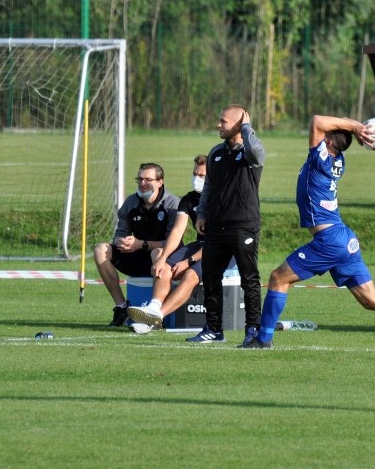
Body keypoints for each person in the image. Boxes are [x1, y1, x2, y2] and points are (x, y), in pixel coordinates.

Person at [240, 114, 375, 350]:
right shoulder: (338, 159)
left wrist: (357, 127)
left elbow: (317, 121)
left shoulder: (320, 157)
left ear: (327, 141)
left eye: (326, 136)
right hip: (343, 238)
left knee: (278, 278)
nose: (322, 136)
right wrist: (357, 129)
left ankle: (263, 339)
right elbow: (330, 129)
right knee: (370, 299)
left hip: (329, 240)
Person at [186, 105, 265, 344]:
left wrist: (247, 127)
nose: (218, 125)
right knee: (210, 277)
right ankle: (213, 328)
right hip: (216, 227)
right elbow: (208, 187)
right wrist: (202, 213)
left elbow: (256, 153)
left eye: (223, 121)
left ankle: (252, 330)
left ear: (239, 124)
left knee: (248, 278)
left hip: (243, 226)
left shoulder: (251, 150)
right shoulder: (216, 153)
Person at [128, 154, 208, 334]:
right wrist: (162, 257)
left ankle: (157, 316)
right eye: (195, 174)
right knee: (163, 265)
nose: (196, 178)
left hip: (221, 249)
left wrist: (189, 262)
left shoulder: (220, 201)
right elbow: (178, 231)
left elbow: (218, 241)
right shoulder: (188, 199)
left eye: (202, 176)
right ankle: (153, 307)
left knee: (190, 275)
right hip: (199, 244)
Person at [93, 162, 180, 327]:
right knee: (100, 250)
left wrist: (142, 244)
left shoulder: (172, 204)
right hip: (138, 255)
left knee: (158, 253)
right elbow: (120, 233)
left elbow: (172, 243)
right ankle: (121, 307)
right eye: (139, 179)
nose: (142, 183)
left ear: (160, 182)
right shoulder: (131, 202)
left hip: (164, 258)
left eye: (148, 179)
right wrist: (121, 241)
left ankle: (154, 312)